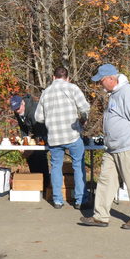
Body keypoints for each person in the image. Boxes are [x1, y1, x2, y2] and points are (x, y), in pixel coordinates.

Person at [79, 64, 130, 229]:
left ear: (111, 78)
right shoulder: (114, 94)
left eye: (101, 80)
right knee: (105, 180)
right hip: (112, 147)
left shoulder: (127, 92)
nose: (100, 84)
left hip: (126, 145)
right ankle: (100, 216)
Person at [35, 67, 91, 209]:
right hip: (72, 136)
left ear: (53, 77)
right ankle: (80, 200)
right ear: (68, 78)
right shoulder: (72, 88)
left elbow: (38, 117)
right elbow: (85, 108)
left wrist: (51, 118)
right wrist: (83, 120)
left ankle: (57, 200)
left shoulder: (46, 92)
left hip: (54, 137)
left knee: (55, 167)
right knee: (78, 166)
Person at [8, 94, 50, 185]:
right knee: (30, 156)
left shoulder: (33, 111)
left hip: (47, 133)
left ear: (23, 103)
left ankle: (45, 183)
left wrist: (31, 148)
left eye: (18, 108)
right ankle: (35, 182)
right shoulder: (17, 112)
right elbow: (23, 128)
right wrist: (24, 143)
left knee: (39, 154)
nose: (17, 111)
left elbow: (40, 131)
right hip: (36, 134)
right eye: (15, 109)